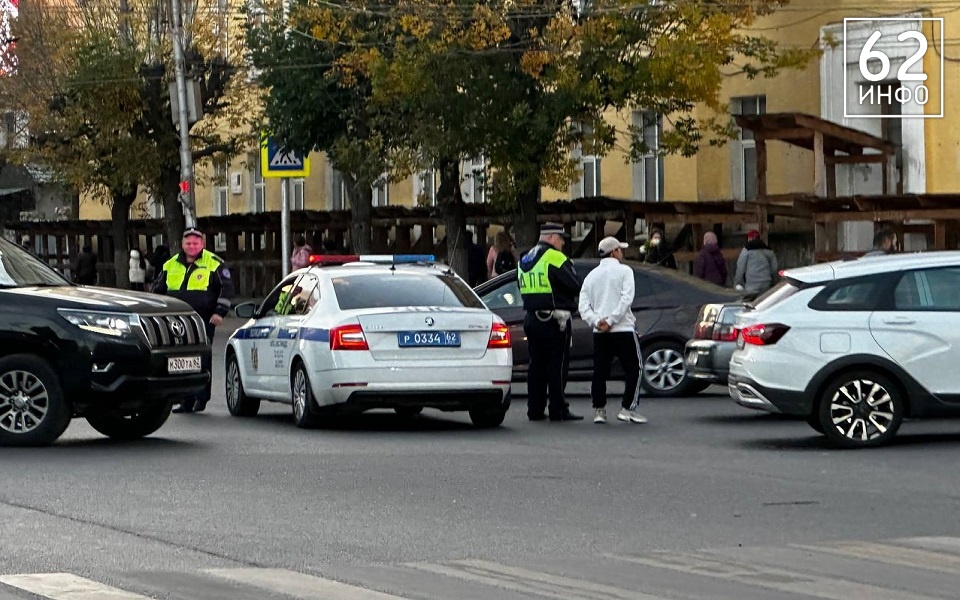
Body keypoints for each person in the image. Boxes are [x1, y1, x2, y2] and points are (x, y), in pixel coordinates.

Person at [153, 228, 235, 413]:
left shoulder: (214, 263)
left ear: (202, 244)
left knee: (201, 359)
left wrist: (219, 313)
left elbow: (227, 290)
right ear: (182, 244)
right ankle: (185, 399)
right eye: (188, 243)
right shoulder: (170, 264)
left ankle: (201, 397)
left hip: (203, 320)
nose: (192, 247)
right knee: (178, 360)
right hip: (175, 322)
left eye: (196, 243)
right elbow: (157, 290)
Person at [517, 222, 583, 422]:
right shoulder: (554, 257)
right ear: (552, 237)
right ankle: (558, 409)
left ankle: (534, 409)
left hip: (532, 318)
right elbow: (574, 284)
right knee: (557, 365)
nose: (562, 243)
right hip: (555, 320)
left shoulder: (525, 258)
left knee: (536, 365)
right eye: (561, 239)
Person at [578, 236, 646, 425]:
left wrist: (596, 321)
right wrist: (612, 319)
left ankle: (599, 410)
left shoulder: (591, 276)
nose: (622, 253)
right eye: (620, 250)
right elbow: (626, 299)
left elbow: (583, 305)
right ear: (614, 252)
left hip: (600, 332)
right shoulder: (625, 271)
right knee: (634, 368)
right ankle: (627, 408)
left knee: (600, 371)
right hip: (623, 328)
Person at [734, 230, 779, 299]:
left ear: (749, 238)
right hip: (766, 283)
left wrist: (738, 282)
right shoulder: (769, 250)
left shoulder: (747, 249)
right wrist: (773, 281)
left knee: (750, 304)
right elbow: (775, 267)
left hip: (752, 283)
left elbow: (740, 267)